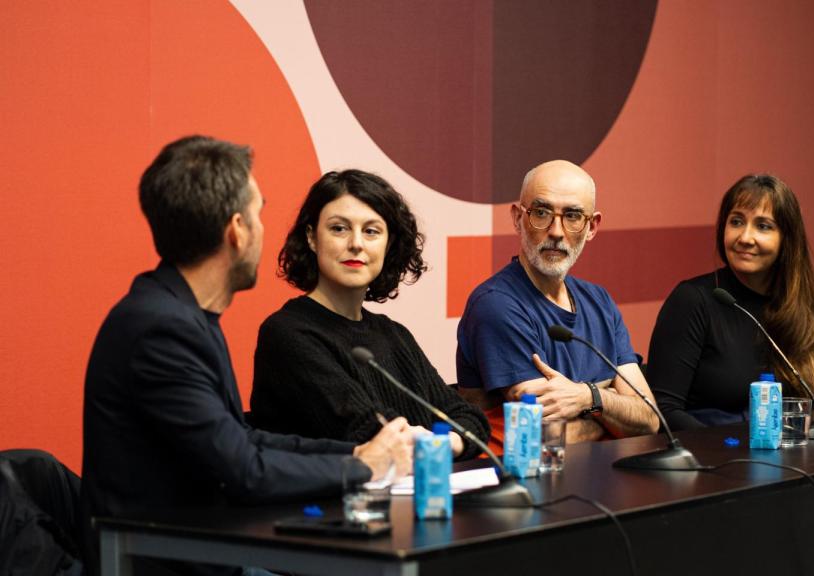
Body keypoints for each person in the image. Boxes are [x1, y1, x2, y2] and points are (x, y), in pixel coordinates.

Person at [80, 136, 414, 576]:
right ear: (237, 231)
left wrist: (357, 455)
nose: (263, 230)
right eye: (258, 215)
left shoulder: (181, 313)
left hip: (211, 549)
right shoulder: (162, 329)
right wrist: (360, 468)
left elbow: (240, 439)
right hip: (171, 562)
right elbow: (242, 470)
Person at [250, 170, 489, 460]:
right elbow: (370, 435)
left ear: (388, 245)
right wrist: (440, 441)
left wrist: (446, 443)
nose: (356, 244)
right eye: (339, 228)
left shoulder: (394, 334)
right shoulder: (288, 334)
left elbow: (468, 418)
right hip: (331, 502)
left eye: (371, 231)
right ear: (312, 238)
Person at [457, 160, 659, 454]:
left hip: (600, 482)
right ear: (517, 218)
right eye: (541, 213)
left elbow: (649, 418)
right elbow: (540, 439)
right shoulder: (496, 305)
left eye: (573, 216)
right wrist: (611, 404)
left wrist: (585, 397)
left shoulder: (599, 300)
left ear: (592, 227)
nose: (556, 231)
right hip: (523, 487)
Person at [646, 173, 814, 430]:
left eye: (763, 226)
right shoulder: (692, 300)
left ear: (787, 239)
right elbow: (663, 410)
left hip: (784, 459)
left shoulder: (796, 304)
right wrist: (731, 449)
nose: (745, 237)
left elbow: (808, 406)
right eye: (736, 222)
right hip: (711, 459)